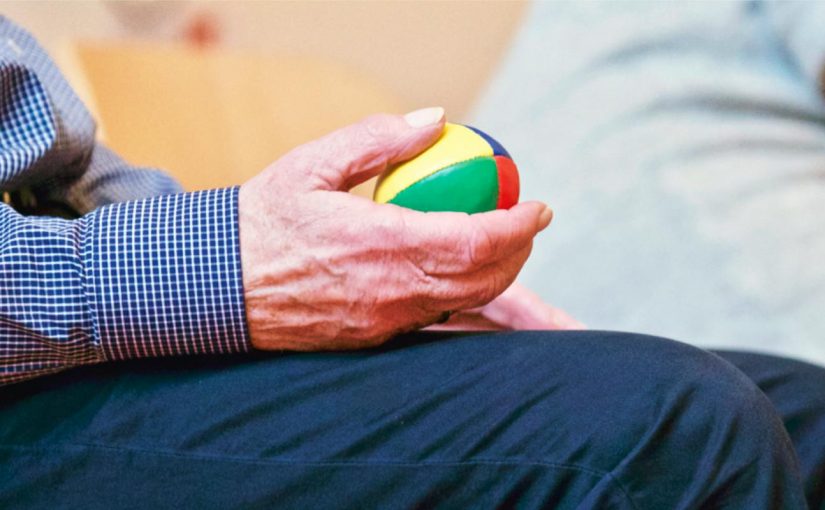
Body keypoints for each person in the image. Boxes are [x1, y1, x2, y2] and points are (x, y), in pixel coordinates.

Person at [0, 15, 823, 510]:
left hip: (87, 339)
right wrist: (223, 266)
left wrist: (312, 264)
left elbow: (64, 173)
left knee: (804, 411)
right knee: (676, 425)